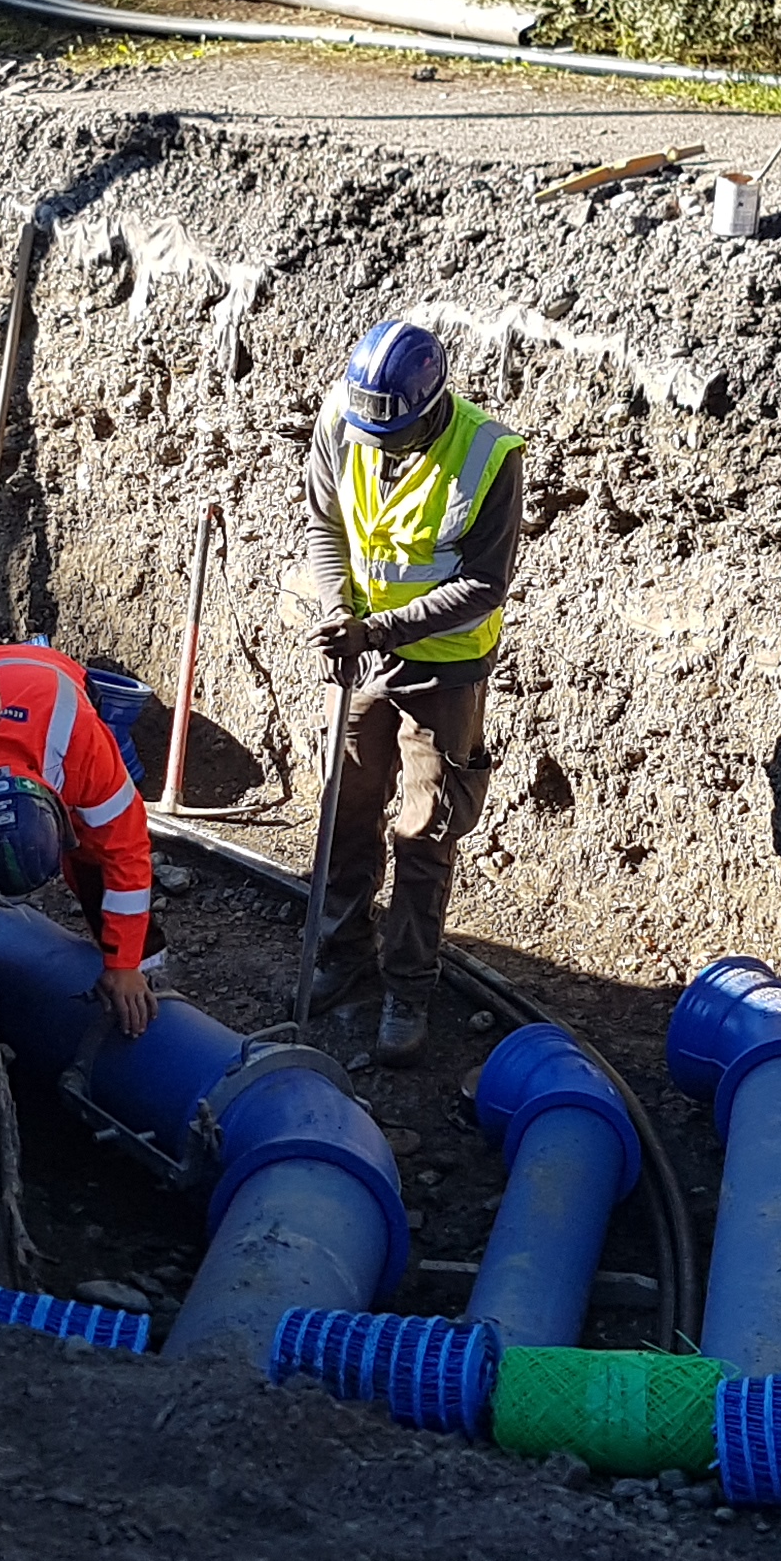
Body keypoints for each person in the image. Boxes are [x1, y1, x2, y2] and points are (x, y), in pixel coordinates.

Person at [299, 316, 525, 1061]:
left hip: (446, 672)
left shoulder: (488, 456)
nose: (378, 448)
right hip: (365, 656)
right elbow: (325, 527)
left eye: (392, 438)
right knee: (347, 807)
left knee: (424, 830)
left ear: (431, 410)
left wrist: (379, 630)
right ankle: (341, 954)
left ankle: (408, 987)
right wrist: (339, 609)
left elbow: (483, 586)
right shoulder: (344, 417)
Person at [0, 638, 158, 1035]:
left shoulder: (85, 749)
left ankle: (147, 964)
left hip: (56, 678)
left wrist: (123, 964)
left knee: (94, 858)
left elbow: (128, 852)